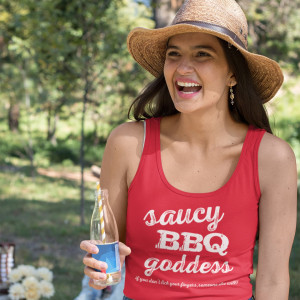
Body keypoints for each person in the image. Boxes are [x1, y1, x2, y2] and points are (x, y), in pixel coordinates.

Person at [80, 0, 297, 299]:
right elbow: (106, 260)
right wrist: (98, 270)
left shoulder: (271, 158)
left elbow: (273, 281)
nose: (183, 67)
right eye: (174, 54)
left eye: (202, 55)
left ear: (233, 73)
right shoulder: (128, 144)